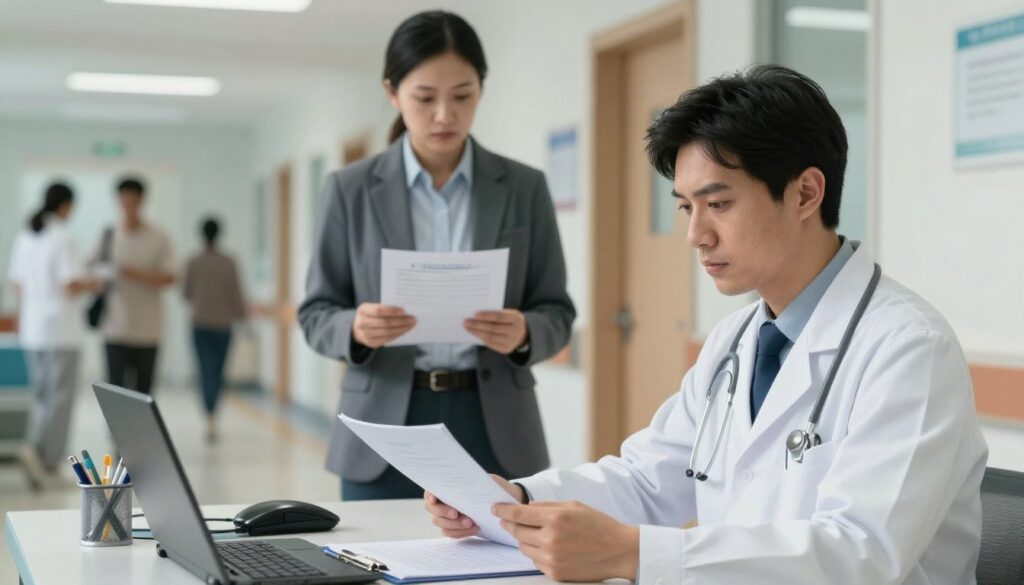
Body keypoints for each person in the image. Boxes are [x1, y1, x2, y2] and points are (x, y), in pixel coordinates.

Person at [424, 65, 988, 585]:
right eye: (686, 207)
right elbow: (652, 478)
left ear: (806, 193)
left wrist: (635, 554)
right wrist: (516, 498)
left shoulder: (908, 349)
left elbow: (861, 552)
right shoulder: (737, 340)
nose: (696, 235)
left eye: (718, 204)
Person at [299, 10, 576, 501]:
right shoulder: (350, 189)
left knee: (497, 572)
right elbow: (317, 313)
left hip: (494, 423)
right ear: (392, 93)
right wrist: (356, 329)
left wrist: (526, 332)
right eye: (424, 98)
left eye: (462, 96)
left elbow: (557, 310)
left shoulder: (524, 187)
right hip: (384, 421)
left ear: (481, 90)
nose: (444, 115)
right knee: (377, 566)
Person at [7, 182, 100, 488]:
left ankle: (35, 449)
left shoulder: (26, 235)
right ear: (66, 205)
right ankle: (44, 460)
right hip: (60, 330)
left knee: (42, 395)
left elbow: (18, 285)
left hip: (33, 328)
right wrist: (95, 282)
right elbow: (70, 284)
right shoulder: (62, 237)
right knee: (59, 398)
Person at [93, 176, 175, 397]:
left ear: (142, 202)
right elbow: (91, 272)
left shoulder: (159, 237)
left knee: (143, 392)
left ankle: (140, 432)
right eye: (124, 202)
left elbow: (170, 278)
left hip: (148, 330)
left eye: (133, 202)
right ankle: (116, 432)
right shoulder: (107, 236)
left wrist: (132, 273)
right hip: (114, 327)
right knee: (115, 390)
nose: (128, 208)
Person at [183, 217, 247, 443]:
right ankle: (213, 414)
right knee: (218, 371)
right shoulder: (229, 262)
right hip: (223, 325)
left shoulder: (193, 261)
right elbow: (236, 294)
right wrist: (243, 316)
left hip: (200, 323)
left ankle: (208, 415)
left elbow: (186, 293)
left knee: (204, 369)